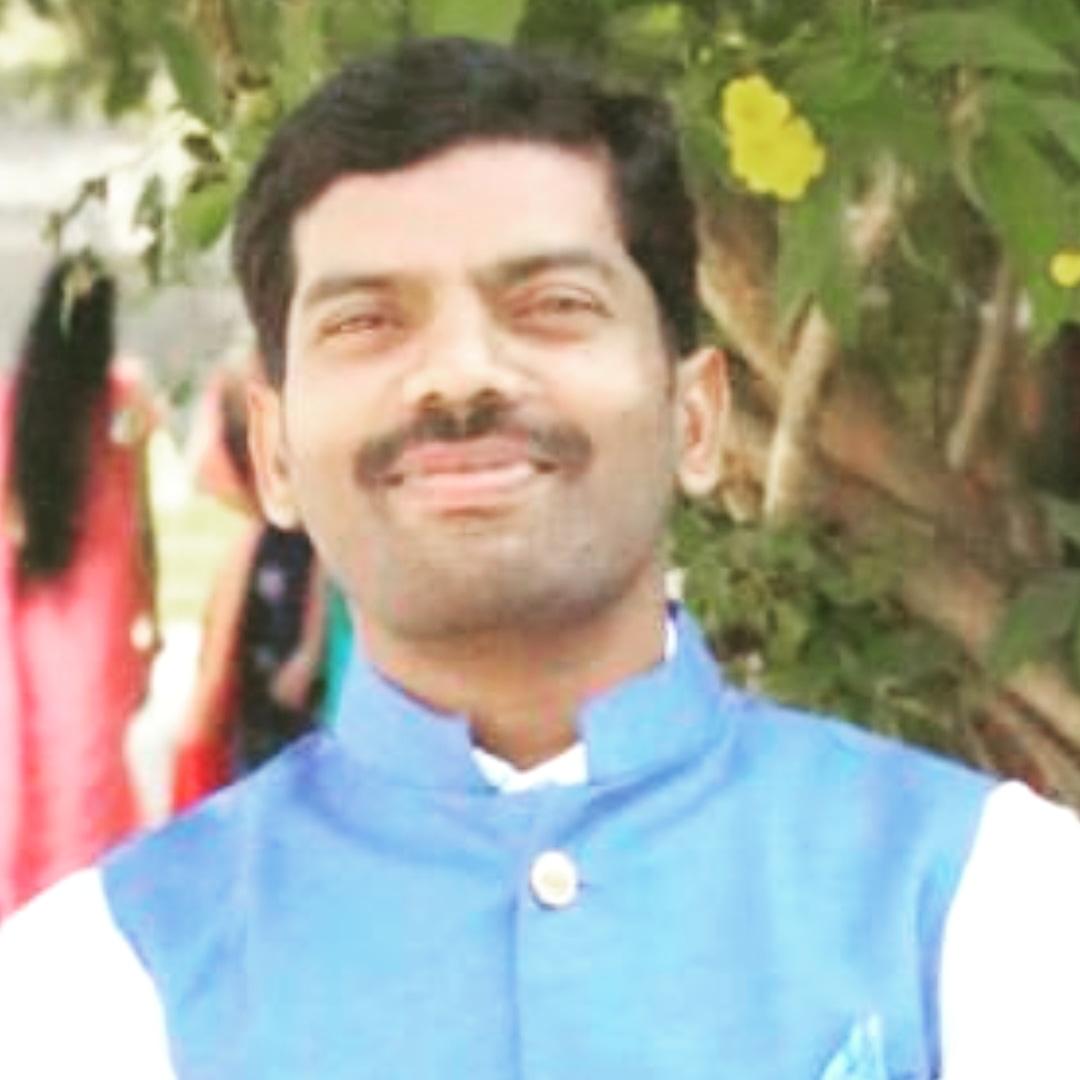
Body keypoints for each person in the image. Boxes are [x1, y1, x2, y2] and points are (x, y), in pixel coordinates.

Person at [1, 38, 1079, 1078]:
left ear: (696, 419)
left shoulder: (992, 905)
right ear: (274, 454)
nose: (460, 374)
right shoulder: (94, 985)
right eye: (368, 321)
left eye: (553, 306)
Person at [0, 256, 158, 920]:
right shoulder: (123, 400)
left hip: (35, 600)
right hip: (100, 605)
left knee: (34, 754)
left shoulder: (17, 401)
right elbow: (140, 514)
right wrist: (150, 617)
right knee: (88, 759)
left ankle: (31, 902)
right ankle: (80, 906)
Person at [171, 362, 326, 811]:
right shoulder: (255, 543)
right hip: (260, 702)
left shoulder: (296, 537)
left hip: (287, 697)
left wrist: (307, 654)